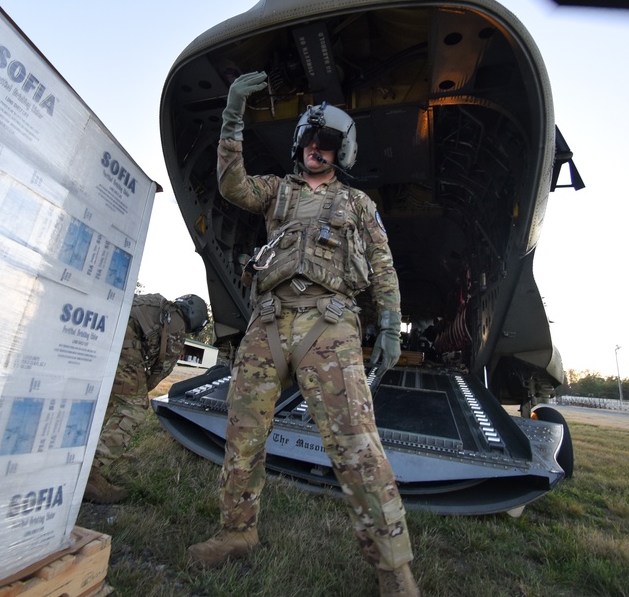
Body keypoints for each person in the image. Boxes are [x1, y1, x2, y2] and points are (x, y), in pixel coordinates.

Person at [186, 72, 419, 596]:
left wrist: (388, 324)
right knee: (243, 435)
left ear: (343, 152)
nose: (318, 149)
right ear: (300, 144)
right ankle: (236, 533)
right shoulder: (275, 192)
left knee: (357, 446)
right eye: (312, 140)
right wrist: (232, 115)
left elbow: (383, 267)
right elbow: (231, 185)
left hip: (328, 325)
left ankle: (393, 569)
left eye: (329, 144)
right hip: (268, 323)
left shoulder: (358, 206)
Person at [84, 292, 208, 504]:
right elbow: (161, 371)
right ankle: (89, 472)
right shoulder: (176, 327)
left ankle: (93, 448)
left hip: (97, 326)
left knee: (112, 400)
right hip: (123, 341)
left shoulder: (156, 302)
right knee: (134, 406)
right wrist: (140, 389)